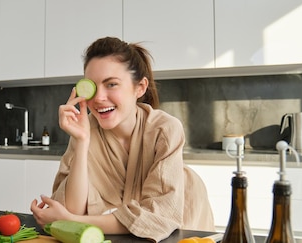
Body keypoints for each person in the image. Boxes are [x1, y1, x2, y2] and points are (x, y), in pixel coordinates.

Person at [30, 36, 215, 242]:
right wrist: (81, 142)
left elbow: (158, 216)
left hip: (185, 219)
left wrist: (74, 220)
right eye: (91, 85)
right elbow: (71, 208)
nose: (98, 97)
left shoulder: (165, 129)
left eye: (111, 84)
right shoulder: (86, 129)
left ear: (140, 87)